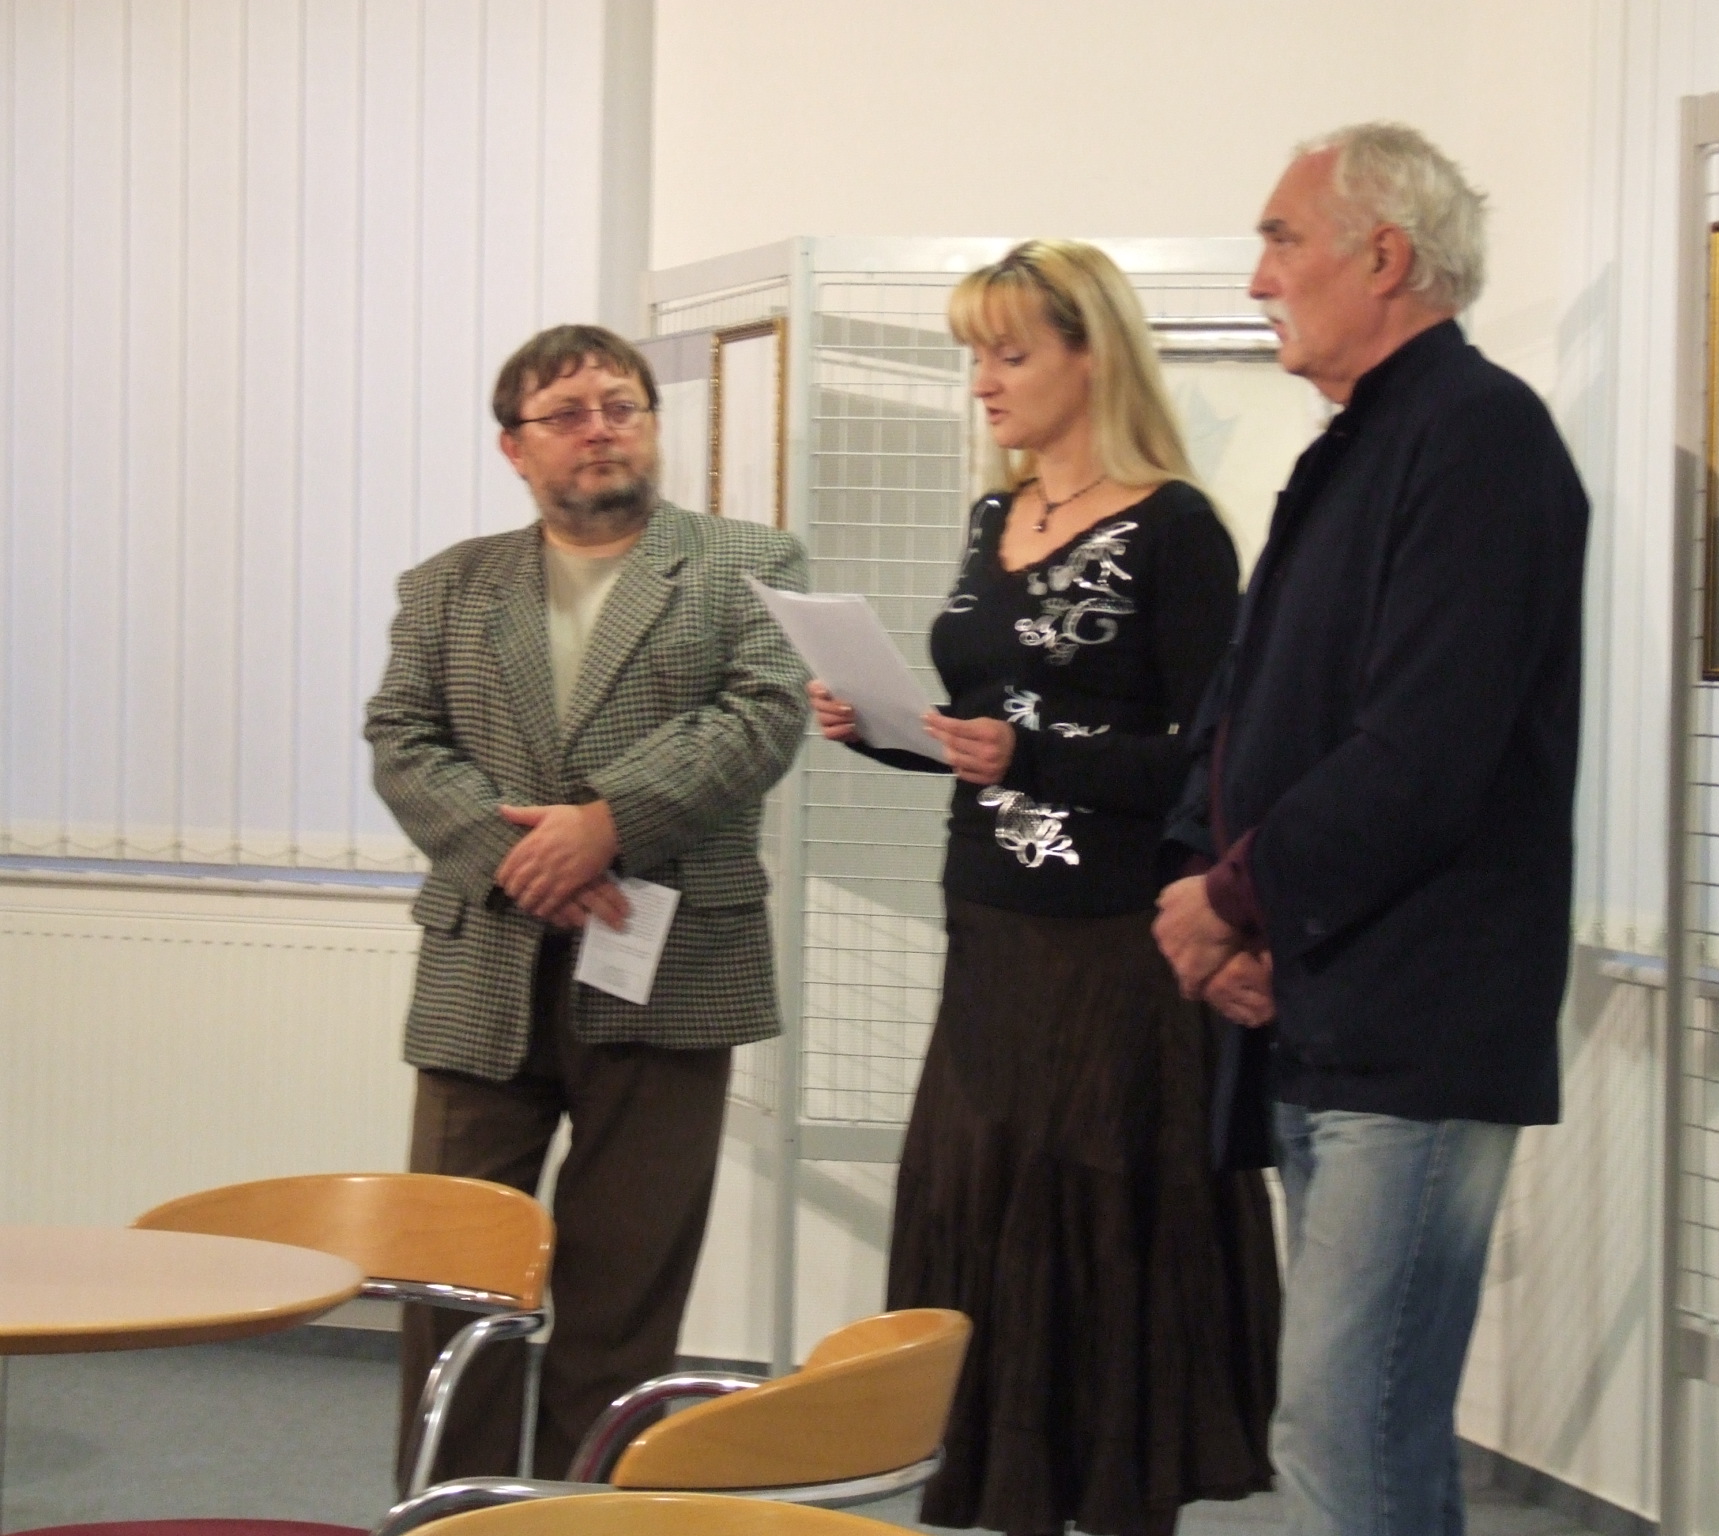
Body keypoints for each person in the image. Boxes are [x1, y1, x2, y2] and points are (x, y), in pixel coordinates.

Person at [1152, 125, 1589, 1536]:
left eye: (1282, 240)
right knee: (1347, 1431)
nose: (1259, 277)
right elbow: (1248, 708)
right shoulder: (1365, 446)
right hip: (1327, 1004)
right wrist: (1220, 903)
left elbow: (1422, 755)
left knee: (1349, 1434)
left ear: (1385, 256)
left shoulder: (1479, 438)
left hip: (1415, 1021)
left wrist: (1232, 901)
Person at [807, 240, 1279, 1536]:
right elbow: (987, 721)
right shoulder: (994, 516)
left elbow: (1210, 758)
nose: (983, 382)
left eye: (1009, 354)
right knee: (993, 1218)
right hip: (992, 932)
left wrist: (1033, 756)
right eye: (976, 355)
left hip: (1115, 949)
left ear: (1092, 356)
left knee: (1108, 1228)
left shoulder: (1175, 529)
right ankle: (1013, 1496)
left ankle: (1120, 1499)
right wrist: (885, 730)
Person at [364, 323, 808, 1484]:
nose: (600, 429)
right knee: (453, 1284)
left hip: (672, 973)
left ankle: (588, 1511)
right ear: (514, 448)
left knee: (625, 1293)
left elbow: (762, 714)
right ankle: (454, 1513)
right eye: (566, 414)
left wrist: (605, 824)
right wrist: (519, 856)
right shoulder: (448, 585)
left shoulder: (748, 562)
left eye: (622, 406)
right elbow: (402, 738)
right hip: (482, 971)